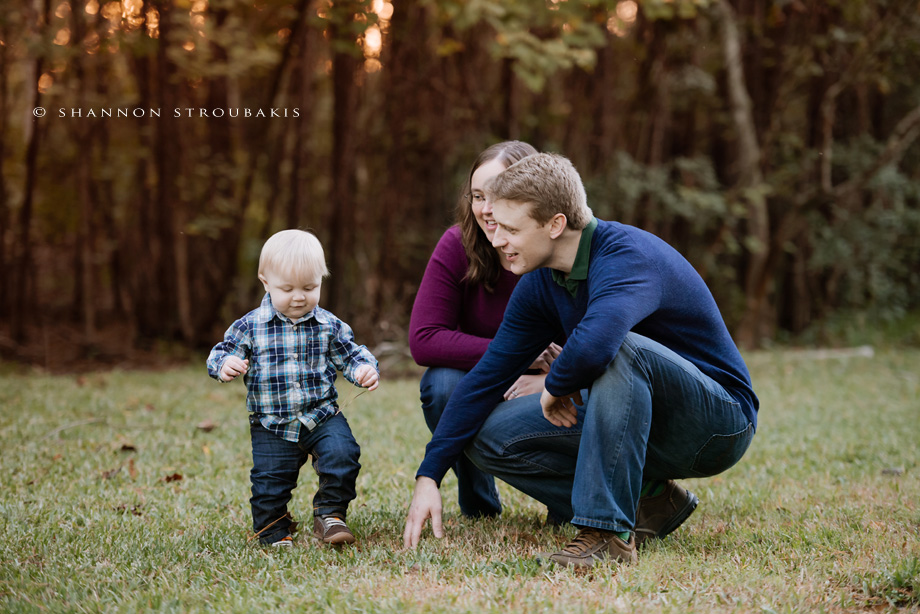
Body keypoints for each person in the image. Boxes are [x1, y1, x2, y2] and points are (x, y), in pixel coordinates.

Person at [403, 153, 759, 568]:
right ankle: (652, 501)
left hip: (715, 424)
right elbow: (486, 377)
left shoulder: (628, 256)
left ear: (555, 224)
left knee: (623, 346)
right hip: (632, 421)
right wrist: (429, 475)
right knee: (488, 436)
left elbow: (597, 344)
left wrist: (554, 386)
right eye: (497, 227)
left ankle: (606, 533)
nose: (497, 240)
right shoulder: (540, 282)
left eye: (511, 229)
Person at [408, 141, 561, 519]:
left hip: (555, 381)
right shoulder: (457, 244)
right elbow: (424, 339)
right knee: (442, 384)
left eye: (498, 194)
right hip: (486, 377)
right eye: (478, 195)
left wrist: (551, 379)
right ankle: (479, 502)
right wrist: (515, 355)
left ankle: (567, 499)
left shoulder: (557, 248)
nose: (486, 209)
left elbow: (600, 340)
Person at [207, 229, 380, 547]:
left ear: (321, 281)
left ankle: (330, 515)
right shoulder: (250, 326)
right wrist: (225, 365)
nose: (299, 296)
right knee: (269, 482)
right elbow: (222, 352)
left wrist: (364, 369)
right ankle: (273, 530)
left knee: (343, 456)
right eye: (287, 289)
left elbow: (351, 355)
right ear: (265, 281)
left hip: (322, 416)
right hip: (271, 423)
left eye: (309, 287)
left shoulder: (329, 325)